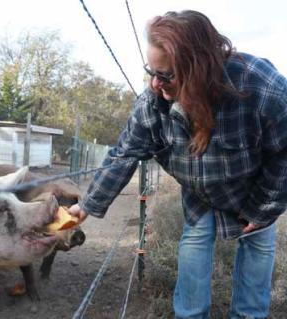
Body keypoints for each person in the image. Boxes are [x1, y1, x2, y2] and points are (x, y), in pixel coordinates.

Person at [68, 10, 287, 319]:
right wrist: (87, 205)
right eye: (150, 71)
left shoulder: (262, 87)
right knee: (194, 249)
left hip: (253, 191)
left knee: (256, 256)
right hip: (198, 194)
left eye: (167, 74)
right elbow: (124, 153)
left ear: (201, 67)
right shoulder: (152, 102)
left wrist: (263, 207)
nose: (155, 83)